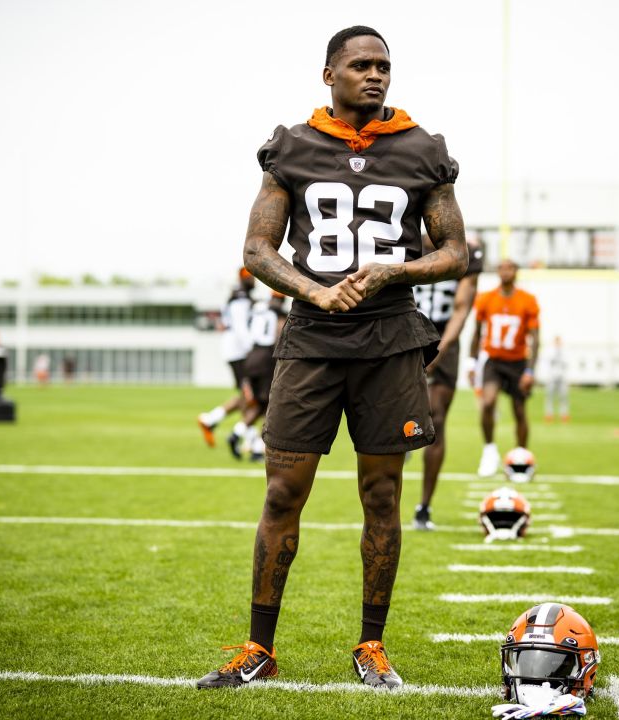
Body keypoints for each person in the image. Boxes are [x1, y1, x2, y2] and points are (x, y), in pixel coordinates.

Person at [196, 25, 468, 691]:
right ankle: (259, 647)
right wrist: (316, 290)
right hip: (312, 344)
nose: (375, 76)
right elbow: (257, 249)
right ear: (329, 75)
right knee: (283, 491)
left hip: (390, 344)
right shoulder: (291, 147)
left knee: (382, 493)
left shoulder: (423, 149)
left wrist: (390, 272)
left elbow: (456, 252)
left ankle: (371, 644)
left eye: (384, 66)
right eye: (361, 66)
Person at [410, 236, 484, 530]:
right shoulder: (402, 239)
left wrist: (439, 350)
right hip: (403, 336)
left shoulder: (463, 249)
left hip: (443, 339)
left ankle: (424, 506)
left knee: (436, 420)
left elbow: (461, 309)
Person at [468, 259, 541, 476]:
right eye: (501, 268)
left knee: (519, 410)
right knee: (488, 402)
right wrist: (471, 362)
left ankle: (522, 457)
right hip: (494, 361)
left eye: (509, 268)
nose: (505, 272)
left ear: (516, 272)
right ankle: (489, 451)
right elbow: (476, 332)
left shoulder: (527, 300)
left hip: (518, 362)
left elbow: (536, 339)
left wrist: (530, 370)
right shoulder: (486, 298)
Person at [198, 268, 256, 457]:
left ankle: (212, 419)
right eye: (251, 277)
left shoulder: (238, 295)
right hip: (239, 351)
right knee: (252, 395)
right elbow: (240, 327)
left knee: (248, 395)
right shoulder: (240, 298)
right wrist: (252, 350)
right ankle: (252, 441)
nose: (254, 280)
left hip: (234, 349)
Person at [237, 291, 290, 461]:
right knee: (268, 404)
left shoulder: (258, 310)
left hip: (251, 355)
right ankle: (257, 447)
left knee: (253, 402)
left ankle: (241, 434)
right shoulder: (278, 314)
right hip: (266, 358)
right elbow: (277, 337)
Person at [544, 335, 569, 422]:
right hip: (552, 376)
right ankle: (549, 414)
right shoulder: (551, 350)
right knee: (550, 396)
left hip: (561, 376)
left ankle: (564, 414)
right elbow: (549, 361)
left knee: (563, 396)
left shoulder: (564, 351)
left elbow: (566, 363)